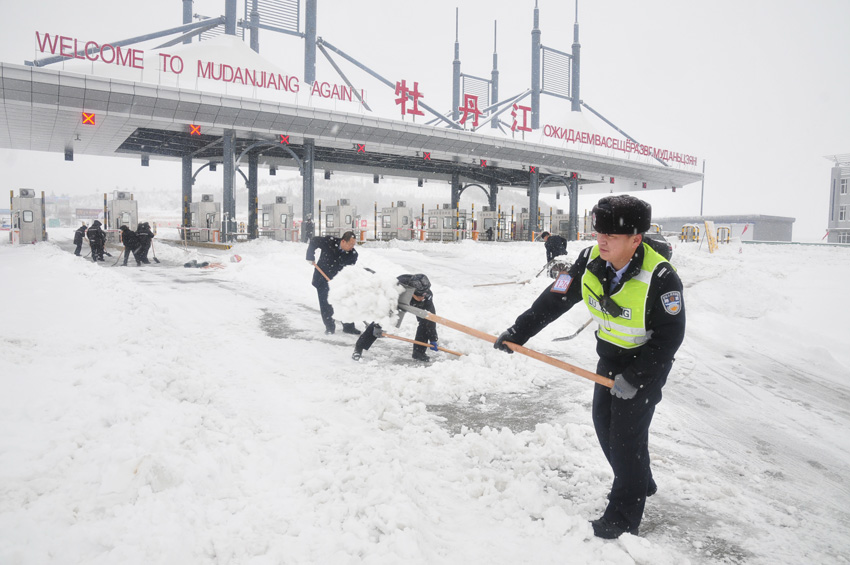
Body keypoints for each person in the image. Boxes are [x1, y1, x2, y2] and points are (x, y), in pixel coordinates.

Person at [493, 195, 686, 539]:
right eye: (600, 233)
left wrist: (637, 377)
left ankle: (623, 516)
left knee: (626, 438)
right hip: (610, 357)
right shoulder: (589, 260)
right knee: (604, 424)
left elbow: (669, 338)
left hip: (645, 364)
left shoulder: (661, 278)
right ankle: (638, 478)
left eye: (611, 236)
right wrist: (518, 332)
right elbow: (555, 298)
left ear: (635, 240)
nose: (602, 241)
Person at [352, 274, 439, 362]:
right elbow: (384, 310)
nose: (423, 298)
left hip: (414, 304)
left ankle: (419, 353)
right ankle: (359, 348)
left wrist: (433, 338)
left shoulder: (426, 296)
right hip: (397, 302)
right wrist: (377, 326)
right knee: (384, 321)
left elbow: (430, 318)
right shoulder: (397, 289)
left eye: (424, 295)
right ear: (413, 292)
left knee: (425, 322)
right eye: (420, 296)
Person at [306, 231, 360, 334]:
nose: (352, 247)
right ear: (343, 241)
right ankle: (330, 327)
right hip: (322, 278)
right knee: (326, 304)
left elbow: (348, 271)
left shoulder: (352, 254)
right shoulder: (329, 242)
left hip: (339, 281)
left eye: (354, 244)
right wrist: (310, 255)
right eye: (350, 244)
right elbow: (314, 241)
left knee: (345, 303)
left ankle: (348, 327)